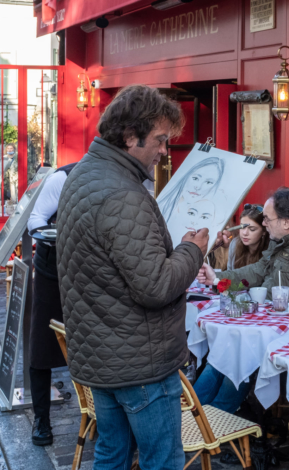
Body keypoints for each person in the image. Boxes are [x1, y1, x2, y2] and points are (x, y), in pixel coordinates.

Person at [56, 85, 209, 470]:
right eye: (160, 140)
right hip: (139, 360)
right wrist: (192, 250)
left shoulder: (84, 175)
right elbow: (155, 286)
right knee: (162, 461)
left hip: (104, 353)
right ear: (129, 137)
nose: (164, 151)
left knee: (111, 453)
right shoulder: (122, 194)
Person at [192, 203, 270, 416]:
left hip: (257, 318)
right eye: (242, 227)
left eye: (251, 228)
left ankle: (211, 415)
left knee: (235, 357)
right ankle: (197, 413)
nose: (244, 233)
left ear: (264, 230)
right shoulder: (236, 246)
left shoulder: (269, 252)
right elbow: (232, 280)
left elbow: (255, 287)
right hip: (238, 313)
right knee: (221, 356)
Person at [198, 187, 289, 301]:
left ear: (286, 223)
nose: (263, 224)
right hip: (271, 314)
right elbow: (259, 270)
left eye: (267, 219)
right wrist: (217, 278)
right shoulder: (281, 238)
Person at [26, 162, 77, 446]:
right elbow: (36, 219)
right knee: (42, 346)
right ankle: (41, 420)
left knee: (92, 344)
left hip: (89, 272)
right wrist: (63, 236)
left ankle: (98, 413)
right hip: (52, 271)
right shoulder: (62, 178)